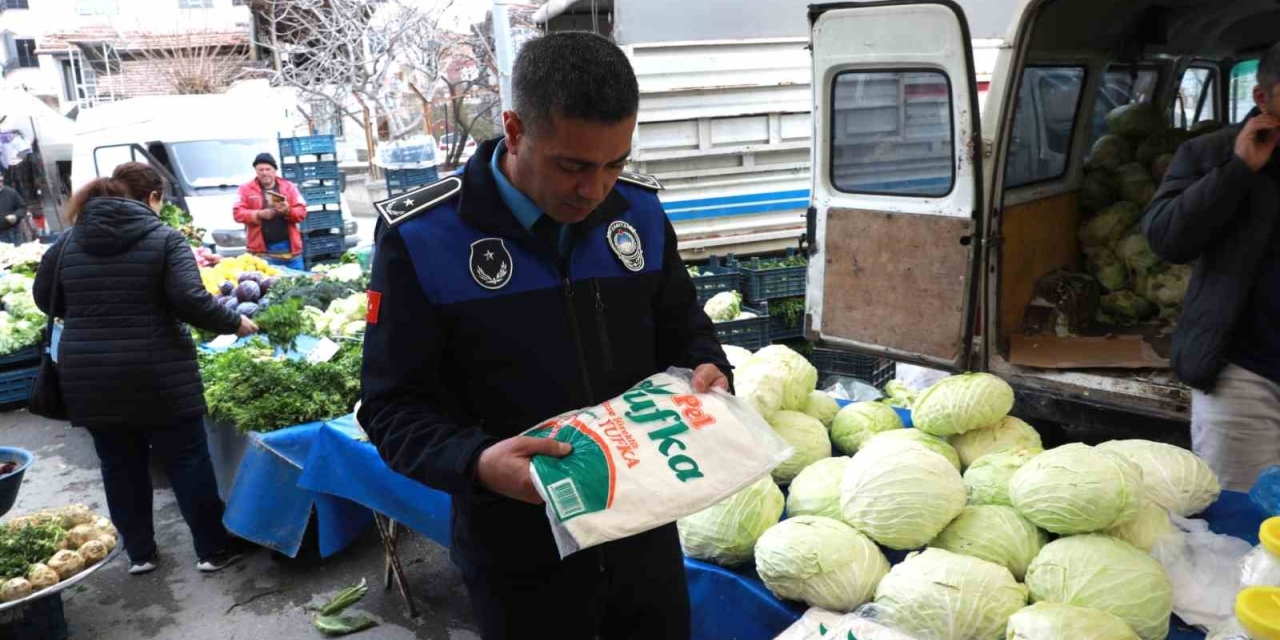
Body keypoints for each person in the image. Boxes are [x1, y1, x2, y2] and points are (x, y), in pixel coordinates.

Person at [359, 32, 731, 640]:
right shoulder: (423, 239)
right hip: (519, 557)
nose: (595, 190)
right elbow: (391, 406)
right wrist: (478, 462)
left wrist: (707, 367)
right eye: (572, 165)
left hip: (645, 536)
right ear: (513, 129)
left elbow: (686, 331)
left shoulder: (638, 215)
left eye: (615, 164)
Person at [33, 162, 258, 575]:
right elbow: (190, 300)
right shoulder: (164, 239)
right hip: (158, 370)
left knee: (119, 463)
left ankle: (140, 554)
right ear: (148, 199)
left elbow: (46, 300)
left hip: (90, 374)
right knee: (187, 460)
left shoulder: (64, 244)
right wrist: (234, 322)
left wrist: (90, 316)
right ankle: (211, 551)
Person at [1143, 42, 1280, 491]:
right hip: (1245, 373)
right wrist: (1238, 170)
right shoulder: (1210, 154)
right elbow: (1167, 238)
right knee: (1240, 518)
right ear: (1263, 99)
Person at [232, 153, 307, 270]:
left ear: (274, 170)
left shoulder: (289, 187)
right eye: (260, 169)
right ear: (256, 171)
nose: (264, 172)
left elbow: (301, 212)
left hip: (290, 249)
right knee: (268, 286)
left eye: (268, 169)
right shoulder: (245, 189)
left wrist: (288, 211)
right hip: (261, 252)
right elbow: (237, 214)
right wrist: (258, 214)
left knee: (296, 283)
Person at [0, 173, 27, 245]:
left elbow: (22, 207)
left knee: (18, 254)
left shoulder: (11, 192)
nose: (0, 184)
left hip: (14, 232)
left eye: (1, 181)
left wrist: (16, 215)